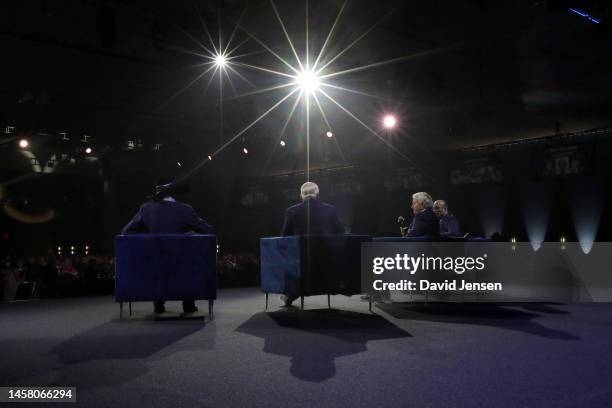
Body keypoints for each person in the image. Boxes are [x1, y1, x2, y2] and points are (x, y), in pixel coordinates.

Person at [122, 180, 213, 315]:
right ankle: (188, 305)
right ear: (175, 195)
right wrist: (191, 233)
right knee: (188, 264)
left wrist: (149, 237)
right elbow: (208, 230)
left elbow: (126, 231)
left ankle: (158, 304)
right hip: (180, 261)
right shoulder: (184, 209)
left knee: (159, 266)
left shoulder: (146, 208)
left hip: (155, 261)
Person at [280, 181, 344, 306]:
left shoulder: (291, 211)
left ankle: (290, 293)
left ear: (301, 195)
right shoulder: (331, 209)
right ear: (318, 195)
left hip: (302, 261)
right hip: (327, 260)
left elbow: (284, 236)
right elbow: (340, 232)